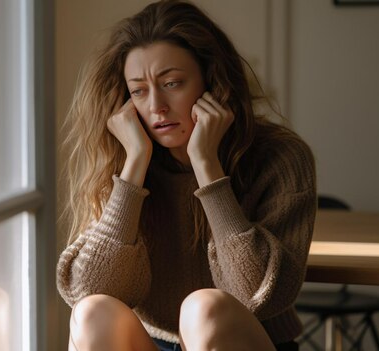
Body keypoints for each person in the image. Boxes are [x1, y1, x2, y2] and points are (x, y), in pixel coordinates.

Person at [56, 1, 316, 350]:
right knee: (93, 313)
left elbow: (256, 296)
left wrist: (207, 166)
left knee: (206, 308)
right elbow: (89, 290)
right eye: (139, 91)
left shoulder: (280, 157)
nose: (156, 107)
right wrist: (134, 166)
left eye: (172, 83)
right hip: (151, 342)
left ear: (211, 80)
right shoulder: (120, 158)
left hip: (246, 340)